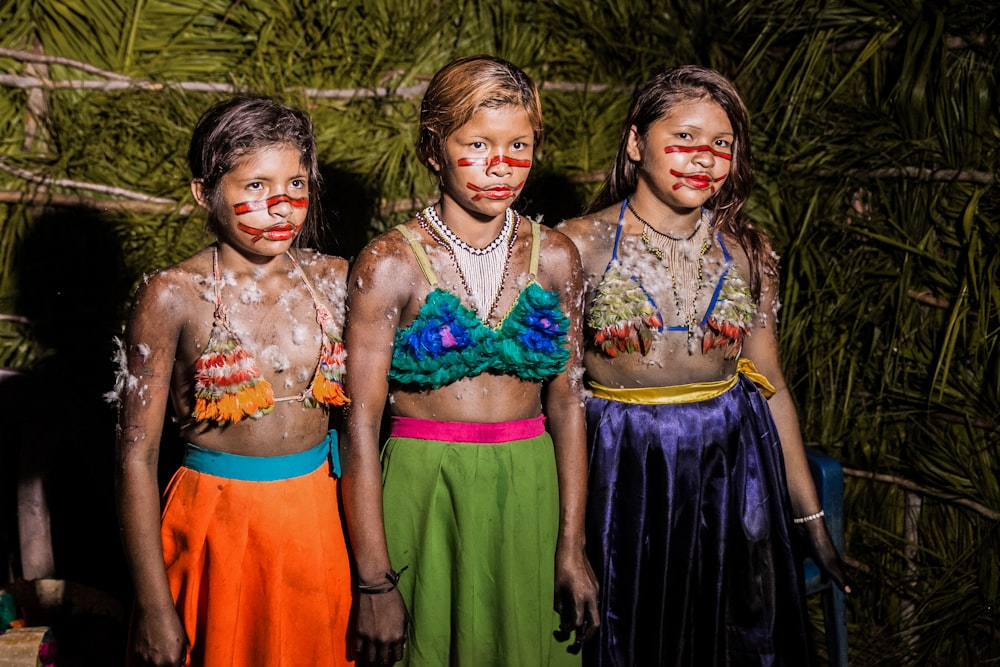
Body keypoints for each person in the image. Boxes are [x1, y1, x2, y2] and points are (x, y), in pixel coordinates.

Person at [556, 66, 853, 666]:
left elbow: (772, 388)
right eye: (685, 138)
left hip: (735, 467)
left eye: (722, 144)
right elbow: (559, 396)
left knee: (736, 637)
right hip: (626, 468)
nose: (705, 159)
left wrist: (810, 517)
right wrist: (569, 540)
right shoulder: (575, 246)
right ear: (637, 143)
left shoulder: (747, 248)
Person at [340, 54, 599, 666]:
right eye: (478, 143)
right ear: (434, 149)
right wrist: (375, 580)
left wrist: (571, 545)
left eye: (519, 146)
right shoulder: (388, 264)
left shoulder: (556, 257)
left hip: (527, 486)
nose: (500, 165)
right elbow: (357, 424)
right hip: (425, 490)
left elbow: (567, 406)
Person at [112, 97, 354, 667]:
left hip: (318, 521)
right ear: (204, 193)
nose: (280, 207)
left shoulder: (336, 279)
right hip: (215, 524)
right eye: (255, 186)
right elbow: (134, 457)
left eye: (296, 183)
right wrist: (152, 606)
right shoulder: (171, 296)